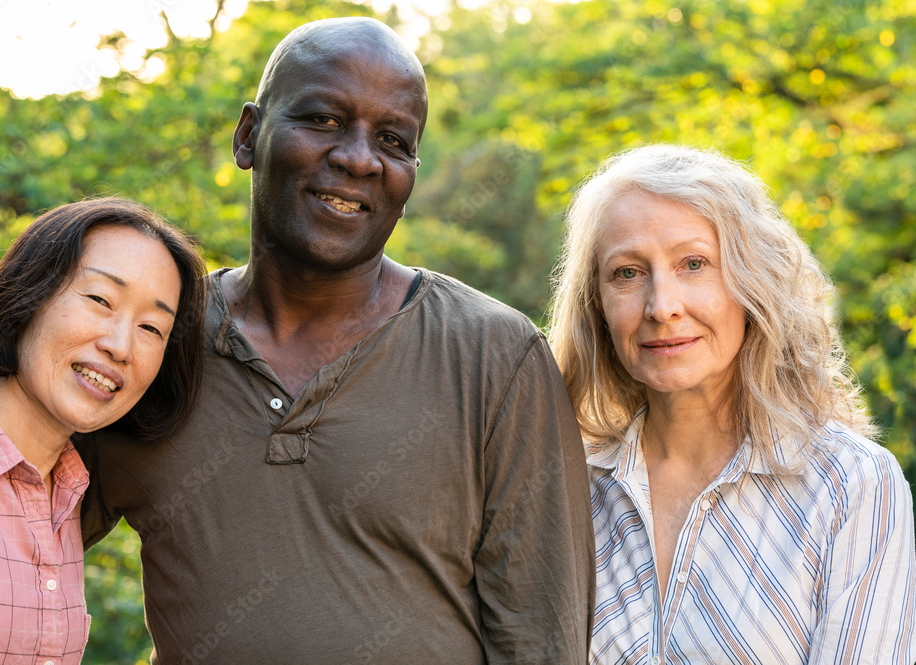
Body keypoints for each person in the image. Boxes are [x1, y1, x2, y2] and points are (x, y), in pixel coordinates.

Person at [75, 16, 594, 665]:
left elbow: (540, 639)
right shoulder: (151, 341)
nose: (357, 158)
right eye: (322, 119)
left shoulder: (496, 357)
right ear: (248, 135)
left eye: (393, 139)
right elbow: (7, 532)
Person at [548, 144, 916, 663]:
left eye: (694, 264)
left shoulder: (851, 486)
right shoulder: (565, 485)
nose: (662, 307)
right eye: (628, 273)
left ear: (753, 283)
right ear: (597, 305)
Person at [0, 197, 207, 662]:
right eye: (100, 299)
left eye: (151, 328)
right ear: (29, 293)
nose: (120, 346)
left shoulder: (65, 494)